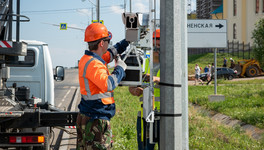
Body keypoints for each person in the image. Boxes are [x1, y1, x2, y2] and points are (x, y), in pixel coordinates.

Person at [76, 23, 129, 150]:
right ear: (101, 43)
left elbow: (111, 52)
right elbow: (108, 84)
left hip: (90, 115)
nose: (109, 44)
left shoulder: (90, 58)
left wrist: (127, 41)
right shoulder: (93, 64)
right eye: (107, 41)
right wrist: (120, 69)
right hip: (95, 119)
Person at [128, 29, 161, 150]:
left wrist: (155, 79)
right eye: (154, 44)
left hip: (165, 115)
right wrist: (134, 90)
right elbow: (132, 86)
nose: (156, 47)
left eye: (159, 44)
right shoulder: (144, 62)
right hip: (145, 115)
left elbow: (175, 83)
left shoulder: (170, 63)